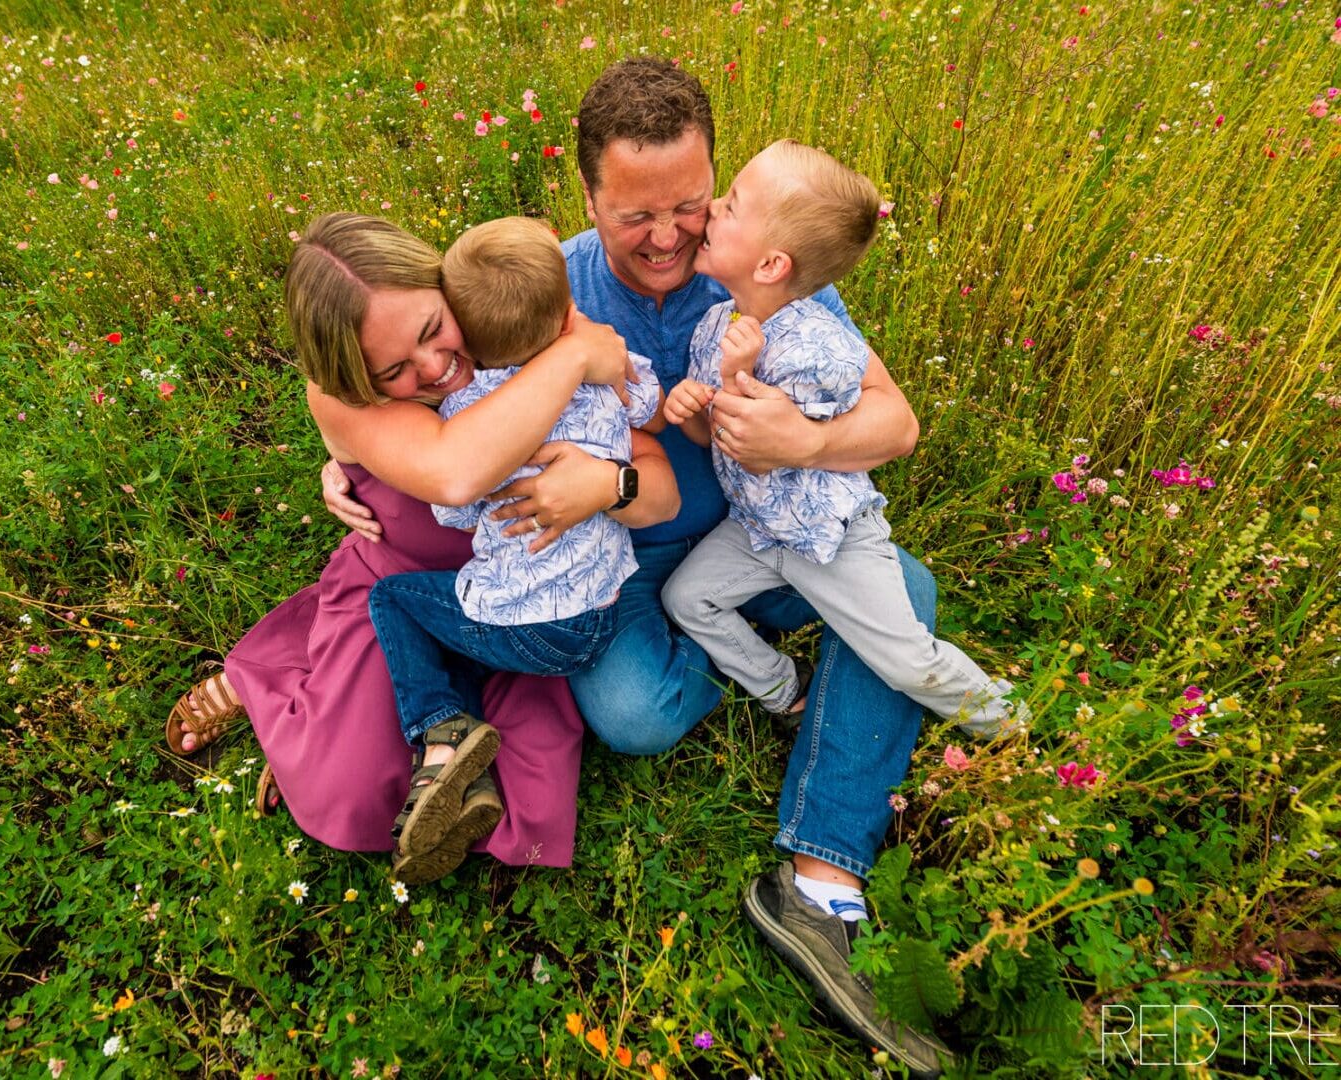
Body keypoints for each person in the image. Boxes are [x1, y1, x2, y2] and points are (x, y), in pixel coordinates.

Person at [322, 59, 949, 1076]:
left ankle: (820, 880)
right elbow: (416, 369)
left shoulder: (759, 270)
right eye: (633, 216)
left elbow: (894, 421)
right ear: (586, 199)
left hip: (752, 539)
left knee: (905, 591)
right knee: (635, 720)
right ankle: (774, 667)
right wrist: (349, 454)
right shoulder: (540, 282)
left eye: (688, 208)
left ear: (717, 190)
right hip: (609, 572)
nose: (666, 237)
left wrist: (801, 441)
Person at [166, 211, 680, 885]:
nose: (438, 368)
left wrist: (609, 481)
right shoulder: (346, 396)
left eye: (434, 329)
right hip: (409, 589)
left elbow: (657, 484)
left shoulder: (511, 323)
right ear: (355, 379)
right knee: (348, 789)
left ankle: (340, 728)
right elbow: (454, 474)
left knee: (505, 784)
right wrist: (574, 355)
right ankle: (282, 700)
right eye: (396, 370)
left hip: (515, 597)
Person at [661, 139, 1026, 740]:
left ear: (772, 265)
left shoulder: (818, 346)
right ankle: (785, 690)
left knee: (906, 659)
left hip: (829, 537)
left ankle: (1011, 725)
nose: (712, 209)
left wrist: (730, 379)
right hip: (757, 529)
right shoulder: (716, 324)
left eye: (731, 205)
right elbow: (718, 439)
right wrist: (688, 408)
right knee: (689, 599)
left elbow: (762, 452)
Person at [366, 217, 663, 883]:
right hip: (600, 615)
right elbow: (648, 400)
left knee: (397, 601)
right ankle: (460, 771)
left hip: (529, 627)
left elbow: (452, 505)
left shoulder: (474, 408)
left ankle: (438, 731)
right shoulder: (606, 364)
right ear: (566, 309)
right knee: (462, 631)